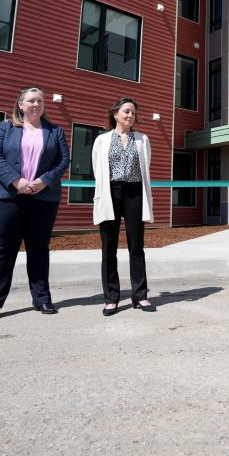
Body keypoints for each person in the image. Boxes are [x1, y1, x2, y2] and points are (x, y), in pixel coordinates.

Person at [0, 87, 70, 324]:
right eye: (31, 100)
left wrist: (44, 181)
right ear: (20, 104)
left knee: (39, 248)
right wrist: (16, 180)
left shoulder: (55, 131)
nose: (36, 104)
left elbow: (63, 161)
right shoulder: (5, 127)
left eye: (40, 101)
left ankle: (41, 298)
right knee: (4, 250)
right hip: (7, 197)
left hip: (43, 198)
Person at [91, 97, 155, 316]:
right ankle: (111, 298)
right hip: (111, 192)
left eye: (133, 113)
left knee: (136, 246)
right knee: (108, 247)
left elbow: (146, 167)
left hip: (134, 193)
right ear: (115, 113)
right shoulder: (102, 140)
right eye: (126, 111)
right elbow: (97, 171)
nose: (130, 116)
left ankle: (140, 295)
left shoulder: (142, 139)